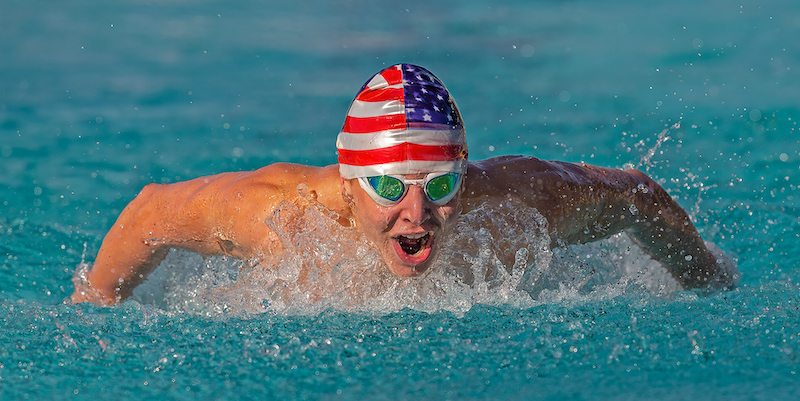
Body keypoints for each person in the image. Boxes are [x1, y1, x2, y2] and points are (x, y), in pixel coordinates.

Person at [71, 64, 739, 305]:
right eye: (389, 189)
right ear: (352, 178)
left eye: (440, 183)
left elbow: (637, 196)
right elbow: (149, 213)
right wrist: (96, 303)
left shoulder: (514, 203)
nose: (417, 214)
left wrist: (709, 280)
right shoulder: (279, 218)